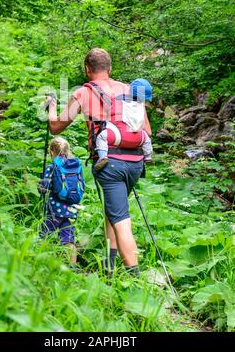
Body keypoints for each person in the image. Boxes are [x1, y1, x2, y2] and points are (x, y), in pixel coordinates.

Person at [46, 48, 152, 277]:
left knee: (120, 219)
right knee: (113, 210)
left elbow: (55, 127)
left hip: (109, 163)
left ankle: (135, 278)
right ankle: (110, 268)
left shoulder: (84, 93)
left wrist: (51, 106)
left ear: (87, 69)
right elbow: (147, 130)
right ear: (110, 68)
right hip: (135, 162)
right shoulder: (128, 89)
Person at [38, 136, 84, 266]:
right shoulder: (75, 165)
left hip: (54, 210)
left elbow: (45, 187)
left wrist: (41, 187)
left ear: (52, 152)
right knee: (69, 240)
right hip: (71, 210)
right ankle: (72, 267)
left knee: (45, 235)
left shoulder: (52, 166)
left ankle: (42, 263)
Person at [94, 78, 154, 171]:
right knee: (147, 138)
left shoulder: (116, 100)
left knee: (101, 137)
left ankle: (103, 156)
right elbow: (149, 132)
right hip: (139, 138)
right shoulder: (140, 107)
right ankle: (148, 156)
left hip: (117, 137)